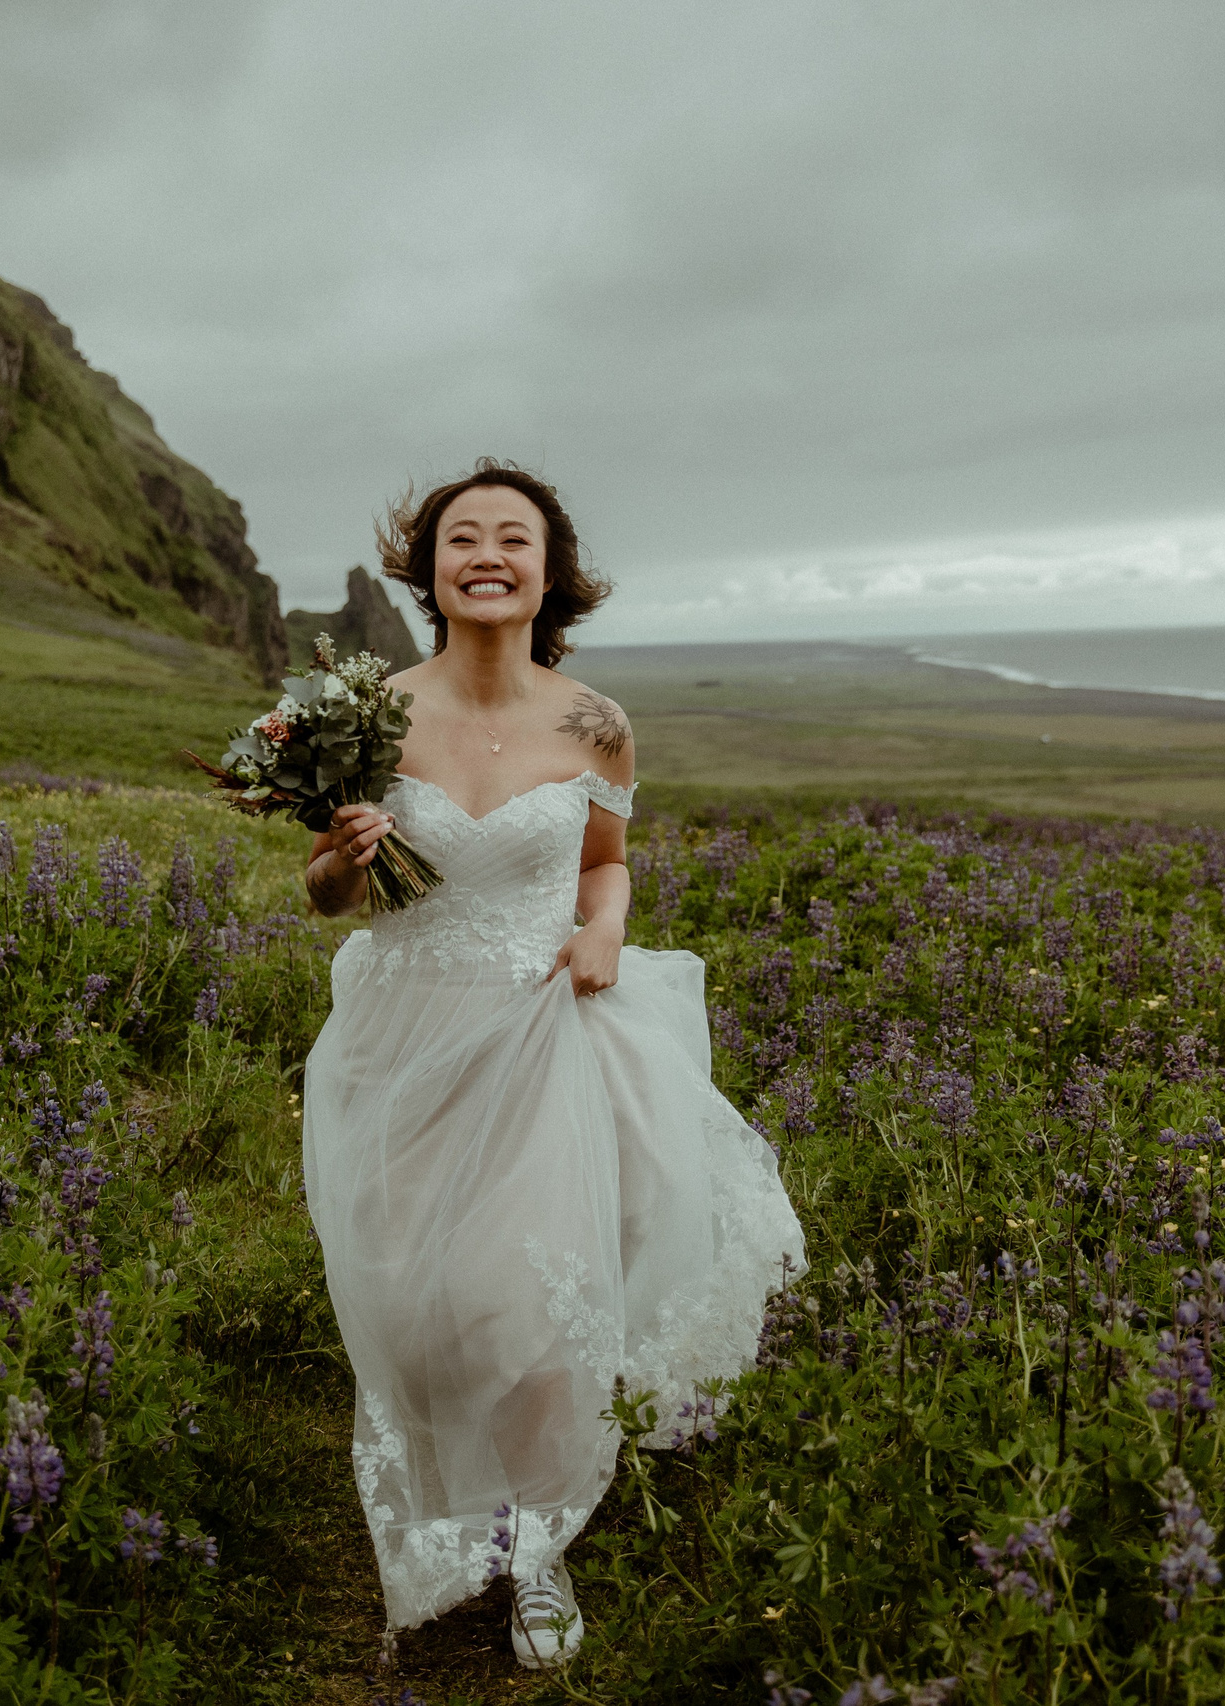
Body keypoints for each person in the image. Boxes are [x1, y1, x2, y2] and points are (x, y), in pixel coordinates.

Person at [299, 459, 808, 1669]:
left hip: (542, 1030)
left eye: (510, 537)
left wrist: (606, 926)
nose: (485, 552)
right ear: (426, 569)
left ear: (547, 569)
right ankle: (449, 1494)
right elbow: (325, 893)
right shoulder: (365, 711)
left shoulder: (595, 722)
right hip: (402, 1033)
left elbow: (603, 860)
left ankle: (537, 1544)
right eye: (458, 536)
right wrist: (346, 854)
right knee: (417, 1301)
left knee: (522, 1292)